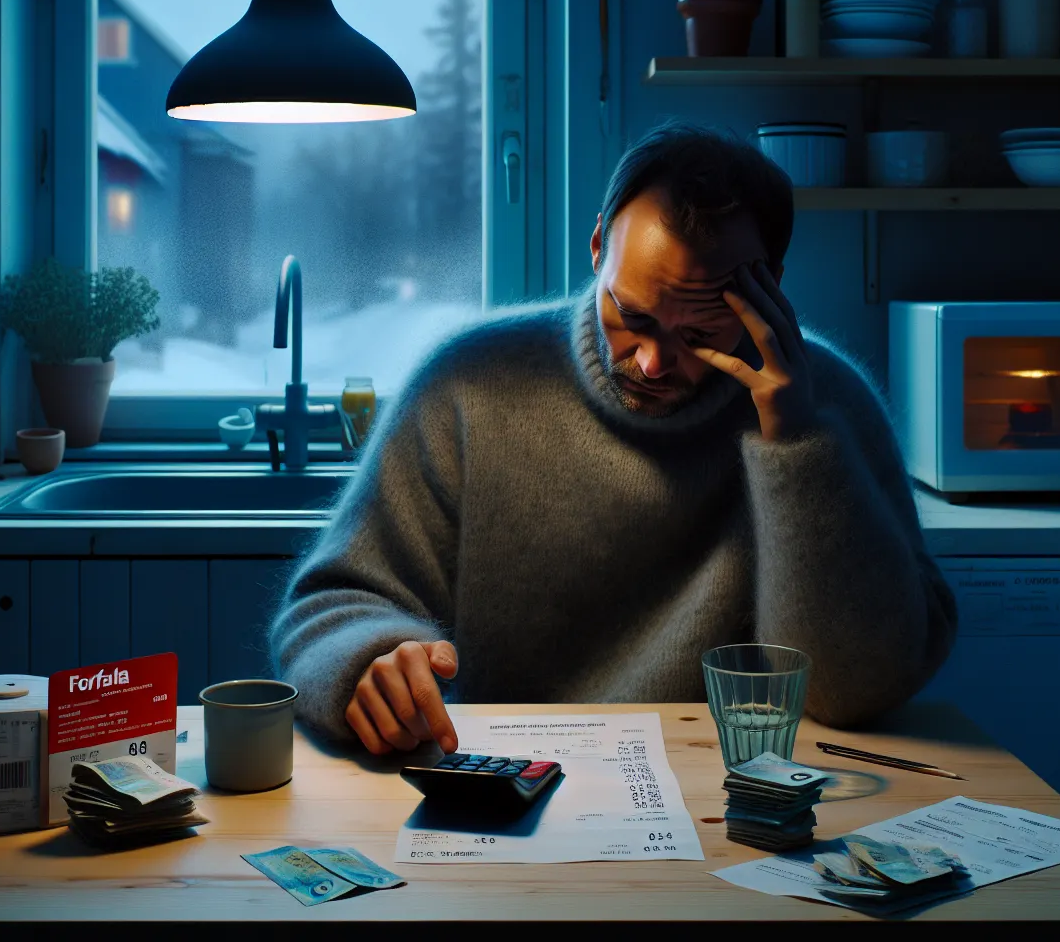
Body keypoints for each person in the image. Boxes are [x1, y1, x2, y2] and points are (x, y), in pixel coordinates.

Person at [268, 122, 956, 756]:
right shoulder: (469, 383)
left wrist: (795, 440)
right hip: (501, 784)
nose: (654, 364)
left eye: (699, 335)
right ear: (598, 246)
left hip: (741, 791)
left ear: (769, 287)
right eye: (630, 315)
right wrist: (373, 660)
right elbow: (330, 606)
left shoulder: (826, 405)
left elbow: (858, 688)